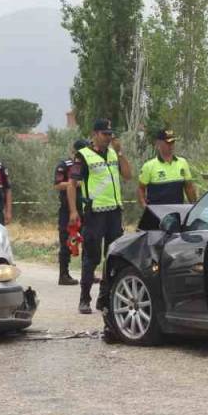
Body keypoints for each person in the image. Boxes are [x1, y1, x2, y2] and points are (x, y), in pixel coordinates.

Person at [67, 119, 132, 315]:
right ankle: (84, 298)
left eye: (110, 134)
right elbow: (72, 184)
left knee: (113, 257)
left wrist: (120, 153)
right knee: (92, 257)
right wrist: (73, 211)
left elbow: (128, 175)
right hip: (95, 212)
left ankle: (104, 298)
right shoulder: (82, 156)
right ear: (94, 134)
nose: (108, 137)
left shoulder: (113, 153)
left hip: (114, 211)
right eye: (105, 134)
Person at [54, 138, 89, 286]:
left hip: (86, 208)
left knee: (88, 241)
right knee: (66, 241)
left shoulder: (88, 165)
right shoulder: (64, 165)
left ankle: (88, 274)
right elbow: (57, 185)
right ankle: (64, 275)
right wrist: (74, 183)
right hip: (67, 209)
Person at [138, 129, 197, 208]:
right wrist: (144, 206)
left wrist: (194, 207)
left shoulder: (182, 163)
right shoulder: (149, 166)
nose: (171, 146)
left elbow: (189, 187)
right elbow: (141, 189)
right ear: (158, 143)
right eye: (168, 143)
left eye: (173, 142)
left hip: (177, 211)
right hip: (156, 212)